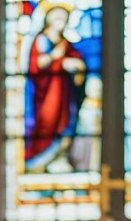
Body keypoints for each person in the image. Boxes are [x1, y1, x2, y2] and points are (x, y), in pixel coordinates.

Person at [25, 5, 87, 172]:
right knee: (47, 121)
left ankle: (60, 158)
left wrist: (77, 66)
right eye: (57, 16)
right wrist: (58, 59)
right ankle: (40, 161)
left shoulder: (65, 43)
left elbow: (78, 62)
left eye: (64, 16)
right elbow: (37, 64)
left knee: (65, 121)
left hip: (64, 93)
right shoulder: (41, 39)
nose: (61, 20)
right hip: (46, 93)